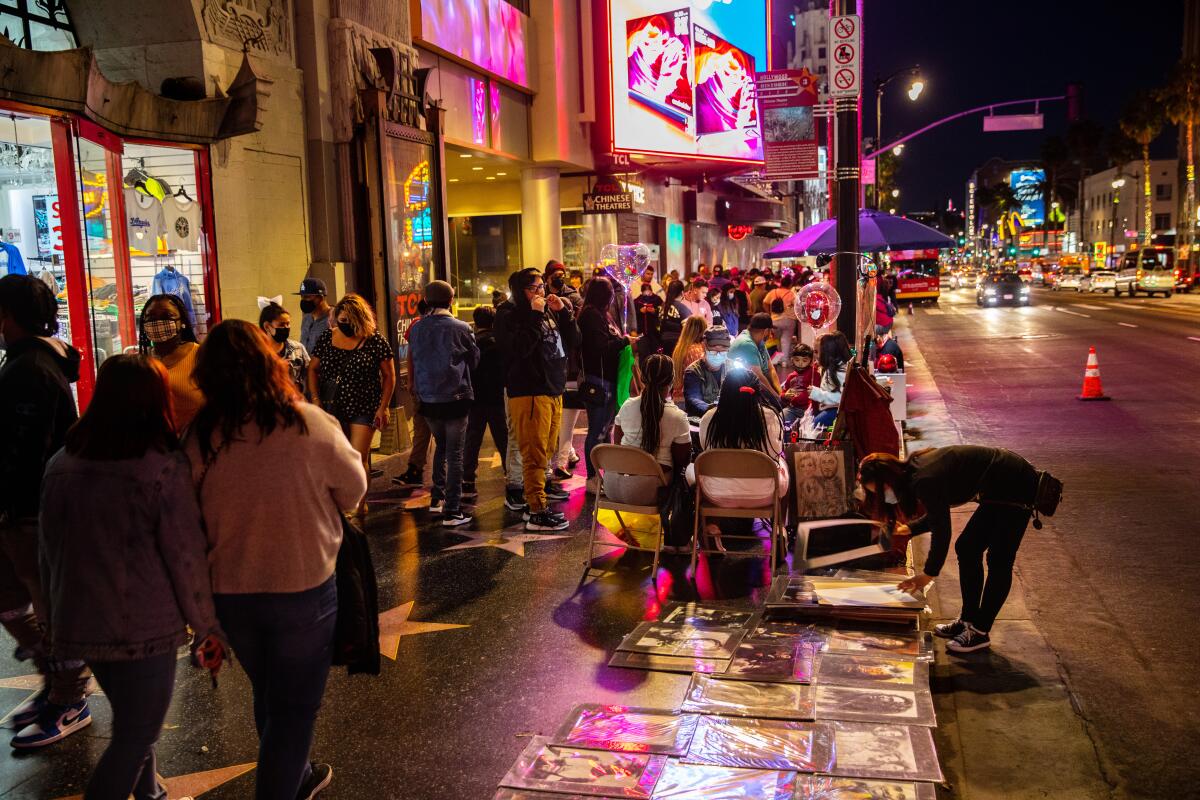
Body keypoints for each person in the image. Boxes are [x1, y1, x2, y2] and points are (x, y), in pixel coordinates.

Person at [187, 320, 366, 799]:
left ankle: (299, 772)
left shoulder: (200, 437)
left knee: (268, 691)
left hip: (229, 590)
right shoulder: (307, 422)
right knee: (294, 707)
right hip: (302, 587)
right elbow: (354, 489)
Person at [40, 354, 224, 798]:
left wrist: (53, 615)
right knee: (137, 734)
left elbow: (46, 550)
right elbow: (185, 557)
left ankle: (151, 795)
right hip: (143, 626)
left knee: (132, 721)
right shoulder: (161, 466)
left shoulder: (61, 463)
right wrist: (206, 627)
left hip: (80, 619)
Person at [0, 274, 91, 749]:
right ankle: (55, 681)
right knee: (13, 599)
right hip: (22, 509)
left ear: (8, 315)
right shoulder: (30, 362)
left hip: (32, 511)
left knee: (54, 611)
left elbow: (26, 450)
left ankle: (69, 697)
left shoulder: (31, 368)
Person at [859, 446, 1042, 654]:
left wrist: (928, 574)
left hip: (1017, 485)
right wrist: (910, 528)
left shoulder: (923, 478)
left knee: (999, 558)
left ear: (888, 481)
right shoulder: (913, 472)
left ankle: (980, 632)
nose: (885, 497)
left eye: (881, 491)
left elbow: (942, 530)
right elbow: (938, 512)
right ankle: (968, 619)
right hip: (998, 489)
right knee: (967, 547)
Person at [495, 267, 577, 531]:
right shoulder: (509, 314)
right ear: (520, 291)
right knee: (534, 452)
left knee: (548, 450)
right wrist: (534, 314)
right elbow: (518, 349)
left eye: (542, 286)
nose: (541, 292)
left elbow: (574, 341)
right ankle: (536, 509)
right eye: (535, 287)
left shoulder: (548, 310)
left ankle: (540, 499)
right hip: (529, 391)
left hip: (553, 389)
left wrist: (562, 312)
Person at [307, 293, 397, 488]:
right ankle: (341, 499)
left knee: (358, 457)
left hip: (364, 405)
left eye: (349, 321)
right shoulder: (327, 337)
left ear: (359, 319)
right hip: (332, 404)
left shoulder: (375, 341)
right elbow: (312, 369)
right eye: (341, 320)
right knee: (336, 456)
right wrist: (315, 398)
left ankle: (359, 504)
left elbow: (389, 376)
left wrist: (384, 407)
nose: (345, 324)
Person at [408, 281, 479, 527]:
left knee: (440, 447)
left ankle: (437, 498)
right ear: (451, 300)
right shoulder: (460, 327)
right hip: (455, 398)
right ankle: (452, 509)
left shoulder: (416, 328)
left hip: (428, 399)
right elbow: (474, 359)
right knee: (455, 454)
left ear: (426, 301)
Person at [695, 368, 788, 544]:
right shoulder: (771, 417)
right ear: (757, 392)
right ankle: (778, 527)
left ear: (724, 393)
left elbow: (704, 447)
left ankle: (712, 526)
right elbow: (775, 453)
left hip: (716, 494)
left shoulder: (708, 418)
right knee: (783, 463)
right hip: (764, 493)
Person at [606, 354, 691, 505]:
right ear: (671, 382)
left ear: (643, 378)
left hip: (612, 486)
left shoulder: (627, 406)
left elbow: (617, 446)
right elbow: (682, 460)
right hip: (649, 492)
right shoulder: (677, 416)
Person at [578, 276, 633, 495]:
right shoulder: (591, 316)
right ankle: (592, 477)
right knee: (597, 431)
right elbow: (600, 348)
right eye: (611, 293)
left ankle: (606, 475)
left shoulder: (602, 315)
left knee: (607, 430)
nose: (613, 298)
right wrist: (624, 341)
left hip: (608, 379)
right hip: (598, 381)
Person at [139, 294, 203, 430]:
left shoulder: (201, 356)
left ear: (182, 321)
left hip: (195, 444)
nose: (158, 322)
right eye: (151, 318)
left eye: (166, 316)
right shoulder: (141, 362)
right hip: (156, 446)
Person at [463, 305, 508, 495]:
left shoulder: (472, 343)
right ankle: (511, 473)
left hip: (476, 397)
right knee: (503, 437)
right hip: (496, 396)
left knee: (472, 437)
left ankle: (467, 478)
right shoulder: (500, 342)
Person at [394, 300, 433, 489]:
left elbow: (411, 355)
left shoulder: (417, 325)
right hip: (440, 388)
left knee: (422, 429)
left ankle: (416, 469)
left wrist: (411, 380)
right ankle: (457, 476)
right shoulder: (450, 325)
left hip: (422, 386)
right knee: (445, 432)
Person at [259, 301, 310, 396]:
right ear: (267, 326)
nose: (286, 328)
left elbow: (308, 376)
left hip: (295, 402)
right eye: (281, 325)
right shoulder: (258, 351)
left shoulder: (298, 348)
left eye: (288, 324)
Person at [729, 313, 781, 397]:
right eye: (771, 331)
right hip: (741, 391)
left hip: (756, 386)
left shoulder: (759, 340)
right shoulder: (747, 344)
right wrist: (776, 397)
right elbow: (758, 377)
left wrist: (780, 393)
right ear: (766, 331)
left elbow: (770, 369)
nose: (771, 334)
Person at [683, 326, 730, 417]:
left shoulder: (733, 368)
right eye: (714, 349)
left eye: (723, 349)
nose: (719, 353)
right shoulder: (693, 371)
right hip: (702, 422)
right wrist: (714, 411)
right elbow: (694, 399)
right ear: (704, 346)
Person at [810, 331, 851, 428]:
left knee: (814, 426)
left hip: (834, 412)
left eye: (817, 352)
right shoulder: (833, 368)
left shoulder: (839, 372)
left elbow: (840, 398)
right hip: (830, 410)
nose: (815, 355)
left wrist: (816, 393)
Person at [671, 315, 708, 404]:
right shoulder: (697, 350)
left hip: (678, 398)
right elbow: (703, 378)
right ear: (703, 331)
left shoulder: (679, 348)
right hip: (692, 400)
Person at [781, 343, 818, 427]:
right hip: (793, 409)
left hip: (808, 410)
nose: (800, 363)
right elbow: (783, 393)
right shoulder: (791, 376)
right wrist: (785, 396)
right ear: (792, 360)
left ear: (810, 361)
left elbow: (817, 392)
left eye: (804, 360)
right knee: (781, 418)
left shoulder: (813, 374)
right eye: (797, 360)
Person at [296, 278, 333, 358]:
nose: (303, 300)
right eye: (302, 297)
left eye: (307, 297)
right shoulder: (306, 318)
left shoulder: (333, 318)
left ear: (321, 297)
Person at [764, 275, 797, 362]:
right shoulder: (791, 294)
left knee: (776, 340)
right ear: (790, 285)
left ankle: (777, 360)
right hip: (789, 320)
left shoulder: (773, 292)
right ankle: (785, 361)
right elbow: (797, 306)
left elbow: (765, 302)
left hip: (775, 320)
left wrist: (769, 313)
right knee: (786, 340)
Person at [658, 280, 689, 357]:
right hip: (678, 345)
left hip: (663, 343)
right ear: (682, 293)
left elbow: (658, 326)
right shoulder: (682, 309)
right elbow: (688, 329)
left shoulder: (662, 306)